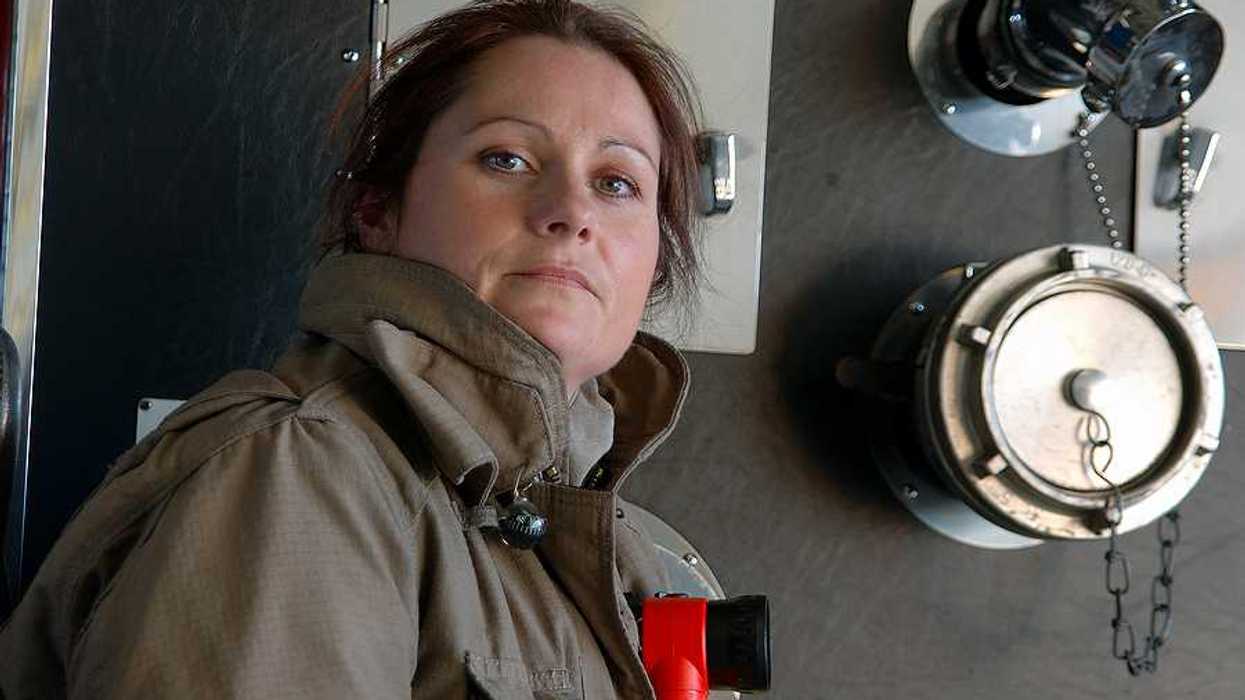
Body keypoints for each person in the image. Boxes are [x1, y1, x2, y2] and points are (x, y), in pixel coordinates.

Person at [0, 0, 705, 697]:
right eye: (507, 158)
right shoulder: (295, 474)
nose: (572, 212)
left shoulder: (603, 542)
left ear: (655, 256)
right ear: (377, 213)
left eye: (616, 183)